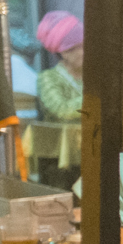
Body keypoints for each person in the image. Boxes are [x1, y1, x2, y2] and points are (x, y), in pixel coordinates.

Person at [32, 10, 84, 189]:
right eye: (80, 47)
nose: (86, 52)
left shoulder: (93, 79)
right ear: (64, 53)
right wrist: (95, 101)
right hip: (58, 161)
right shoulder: (48, 78)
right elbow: (61, 110)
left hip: (89, 154)